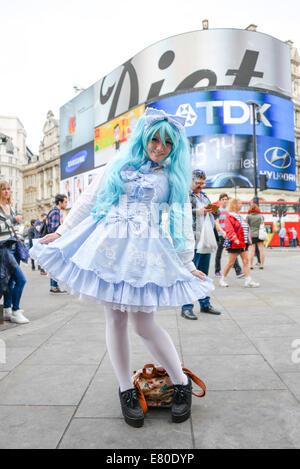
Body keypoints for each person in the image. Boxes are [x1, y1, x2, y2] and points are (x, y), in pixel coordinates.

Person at [30, 107, 214, 428]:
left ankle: (180, 382)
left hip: (145, 250)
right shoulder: (117, 164)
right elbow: (89, 200)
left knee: (144, 324)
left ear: (174, 148)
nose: (159, 147)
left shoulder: (172, 176)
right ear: (143, 137)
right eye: (154, 139)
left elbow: (180, 219)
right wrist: (62, 231)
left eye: (167, 143)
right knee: (114, 319)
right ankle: (126, 389)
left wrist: (187, 263)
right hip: (110, 246)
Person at [181, 170, 221, 320]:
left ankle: (205, 304)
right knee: (191, 273)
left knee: (203, 272)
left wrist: (213, 210)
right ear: (190, 181)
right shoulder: (185, 195)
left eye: (203, 183)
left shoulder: (203, 196)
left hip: (206, 238)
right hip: (193, 238)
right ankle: (186, 307)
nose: (200, 186)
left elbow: (213, 214)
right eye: (198, 183)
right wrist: (198, 211)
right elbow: (179, 211)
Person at [0, 180, 29, 324]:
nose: (6, 191)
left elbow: (14, 228)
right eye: (3, 189)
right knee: (21, 279)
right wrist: (12, 219)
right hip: (4, 248)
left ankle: (7, 309)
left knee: (11, 281)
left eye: (8, 189)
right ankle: (16, 310)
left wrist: (21, 238)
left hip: (14, 247)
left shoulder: (10, 208)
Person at [219, 199, 259, 288]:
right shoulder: (229, 216)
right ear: (234, 205)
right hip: (235, 243)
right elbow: (229, 229)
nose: (241, 205)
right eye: (240, 203)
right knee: (230, 262)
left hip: (243, 242)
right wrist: (234, 238)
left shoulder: (239, 216)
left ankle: (248, 280)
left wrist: (249, 240)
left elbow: (245, 229)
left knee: (246, 261)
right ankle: (222, 279)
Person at [214, 193, 244, 279]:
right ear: (220, 201)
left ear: (227, 200)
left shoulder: (229, 210)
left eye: (225, 199)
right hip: (221, 234)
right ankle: (217, 271)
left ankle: (238, 271)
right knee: (219, 253)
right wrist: (222, 232)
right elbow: (216, 222)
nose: (224, 201)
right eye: (222, 199)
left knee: (232, 252)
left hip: (229, 234)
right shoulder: (217, 210)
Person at [45, 194, 68, 293]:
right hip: (54, 242)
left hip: (53, 242)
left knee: (55, 264)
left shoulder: (55, 211)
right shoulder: (55, 212)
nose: (66, 204)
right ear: (60, 202)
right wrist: (62, 225)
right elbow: (54, 229)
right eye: (65, 202)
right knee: (56, 264)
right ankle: (54, 287)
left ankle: (54, 286)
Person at [246, 204, 266, 270]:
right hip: (260, 234)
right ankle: (261, 265)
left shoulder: (248, 216)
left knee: (251, 250)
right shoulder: (261, 216)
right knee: (261, 250)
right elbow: (263, 224)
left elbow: (246, 225)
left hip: (252, 235)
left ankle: (251, 265)